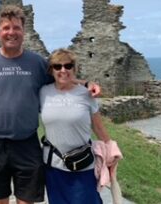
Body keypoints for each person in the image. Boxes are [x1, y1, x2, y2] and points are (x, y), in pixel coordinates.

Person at [0, 5, 101, 204]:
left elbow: (61, 77)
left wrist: (86, 84)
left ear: (24, 31)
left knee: (26, 200)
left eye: (16, 28)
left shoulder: (37, 63)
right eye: (6, 28)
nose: (11, 32)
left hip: (27, 144)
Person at [39, 48, 114, 204]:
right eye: (57, 66)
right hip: (53, 167)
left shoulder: (86, 94)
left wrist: (111, 152)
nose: (63, 70)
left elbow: (98, 127)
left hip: (82, 165)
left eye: (68, 66)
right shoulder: (43, 92)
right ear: (51, 70)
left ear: (74, 68)